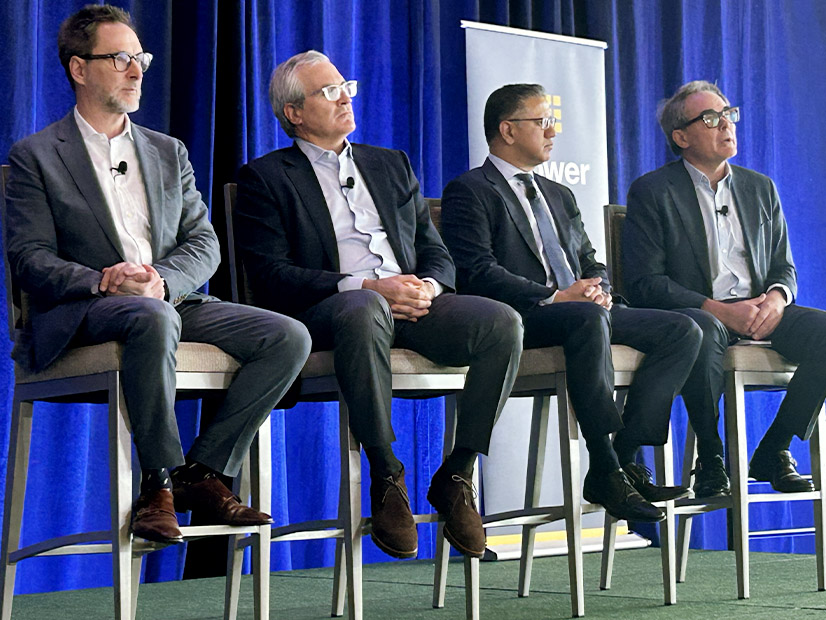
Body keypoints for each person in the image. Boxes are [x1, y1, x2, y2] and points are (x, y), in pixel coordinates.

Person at [5, 5, 312, 544]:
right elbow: (30, 257)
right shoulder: (37, 156)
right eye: (120, 58)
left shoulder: (168, 152)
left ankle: (203, 472)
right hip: (87, 310)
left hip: (170, 299)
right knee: (153, 319)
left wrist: (161, 280)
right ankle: (159, 482)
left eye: (140, 58)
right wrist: (104, 280)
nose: (136, 70)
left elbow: (205, 243)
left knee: (288, 337)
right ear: (79, 68)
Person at [234, 51, 523, 559]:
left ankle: (458, 474)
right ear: (294, 113)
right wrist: (366, 285)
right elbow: (271, 276)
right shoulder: (267, 177)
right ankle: (387, 473)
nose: (344, 97)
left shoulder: (391, 164)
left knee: (502, 322)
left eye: (345, 86)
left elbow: (434, 249)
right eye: (328, 91)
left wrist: (429, 286)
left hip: (413, 302)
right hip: (335, 310)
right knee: (363, 308)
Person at [441, 83, 703, 522]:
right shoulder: (470, 190)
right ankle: (604, 464)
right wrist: (555, 296)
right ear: (507, 130)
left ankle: (621, 458)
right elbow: (477, 271)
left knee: (682, 330)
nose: (552, 131)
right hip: (523, 319)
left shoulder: (558, 194)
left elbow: (590, 260)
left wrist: (599, 287)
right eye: (542, 121)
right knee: (586, 319)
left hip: (584, 312)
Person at [624, 80, 826, 496]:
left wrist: (776, 299)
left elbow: (784, 267)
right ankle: (712, 458)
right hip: (701, 312)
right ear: (681, 137)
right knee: (700, 330)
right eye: (710, 118)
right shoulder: (653, 191)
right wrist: (719, 310)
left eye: (728, 114)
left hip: (760, 311)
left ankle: (774, 448)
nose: (726, 125)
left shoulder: (760, 188)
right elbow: (645, 283)